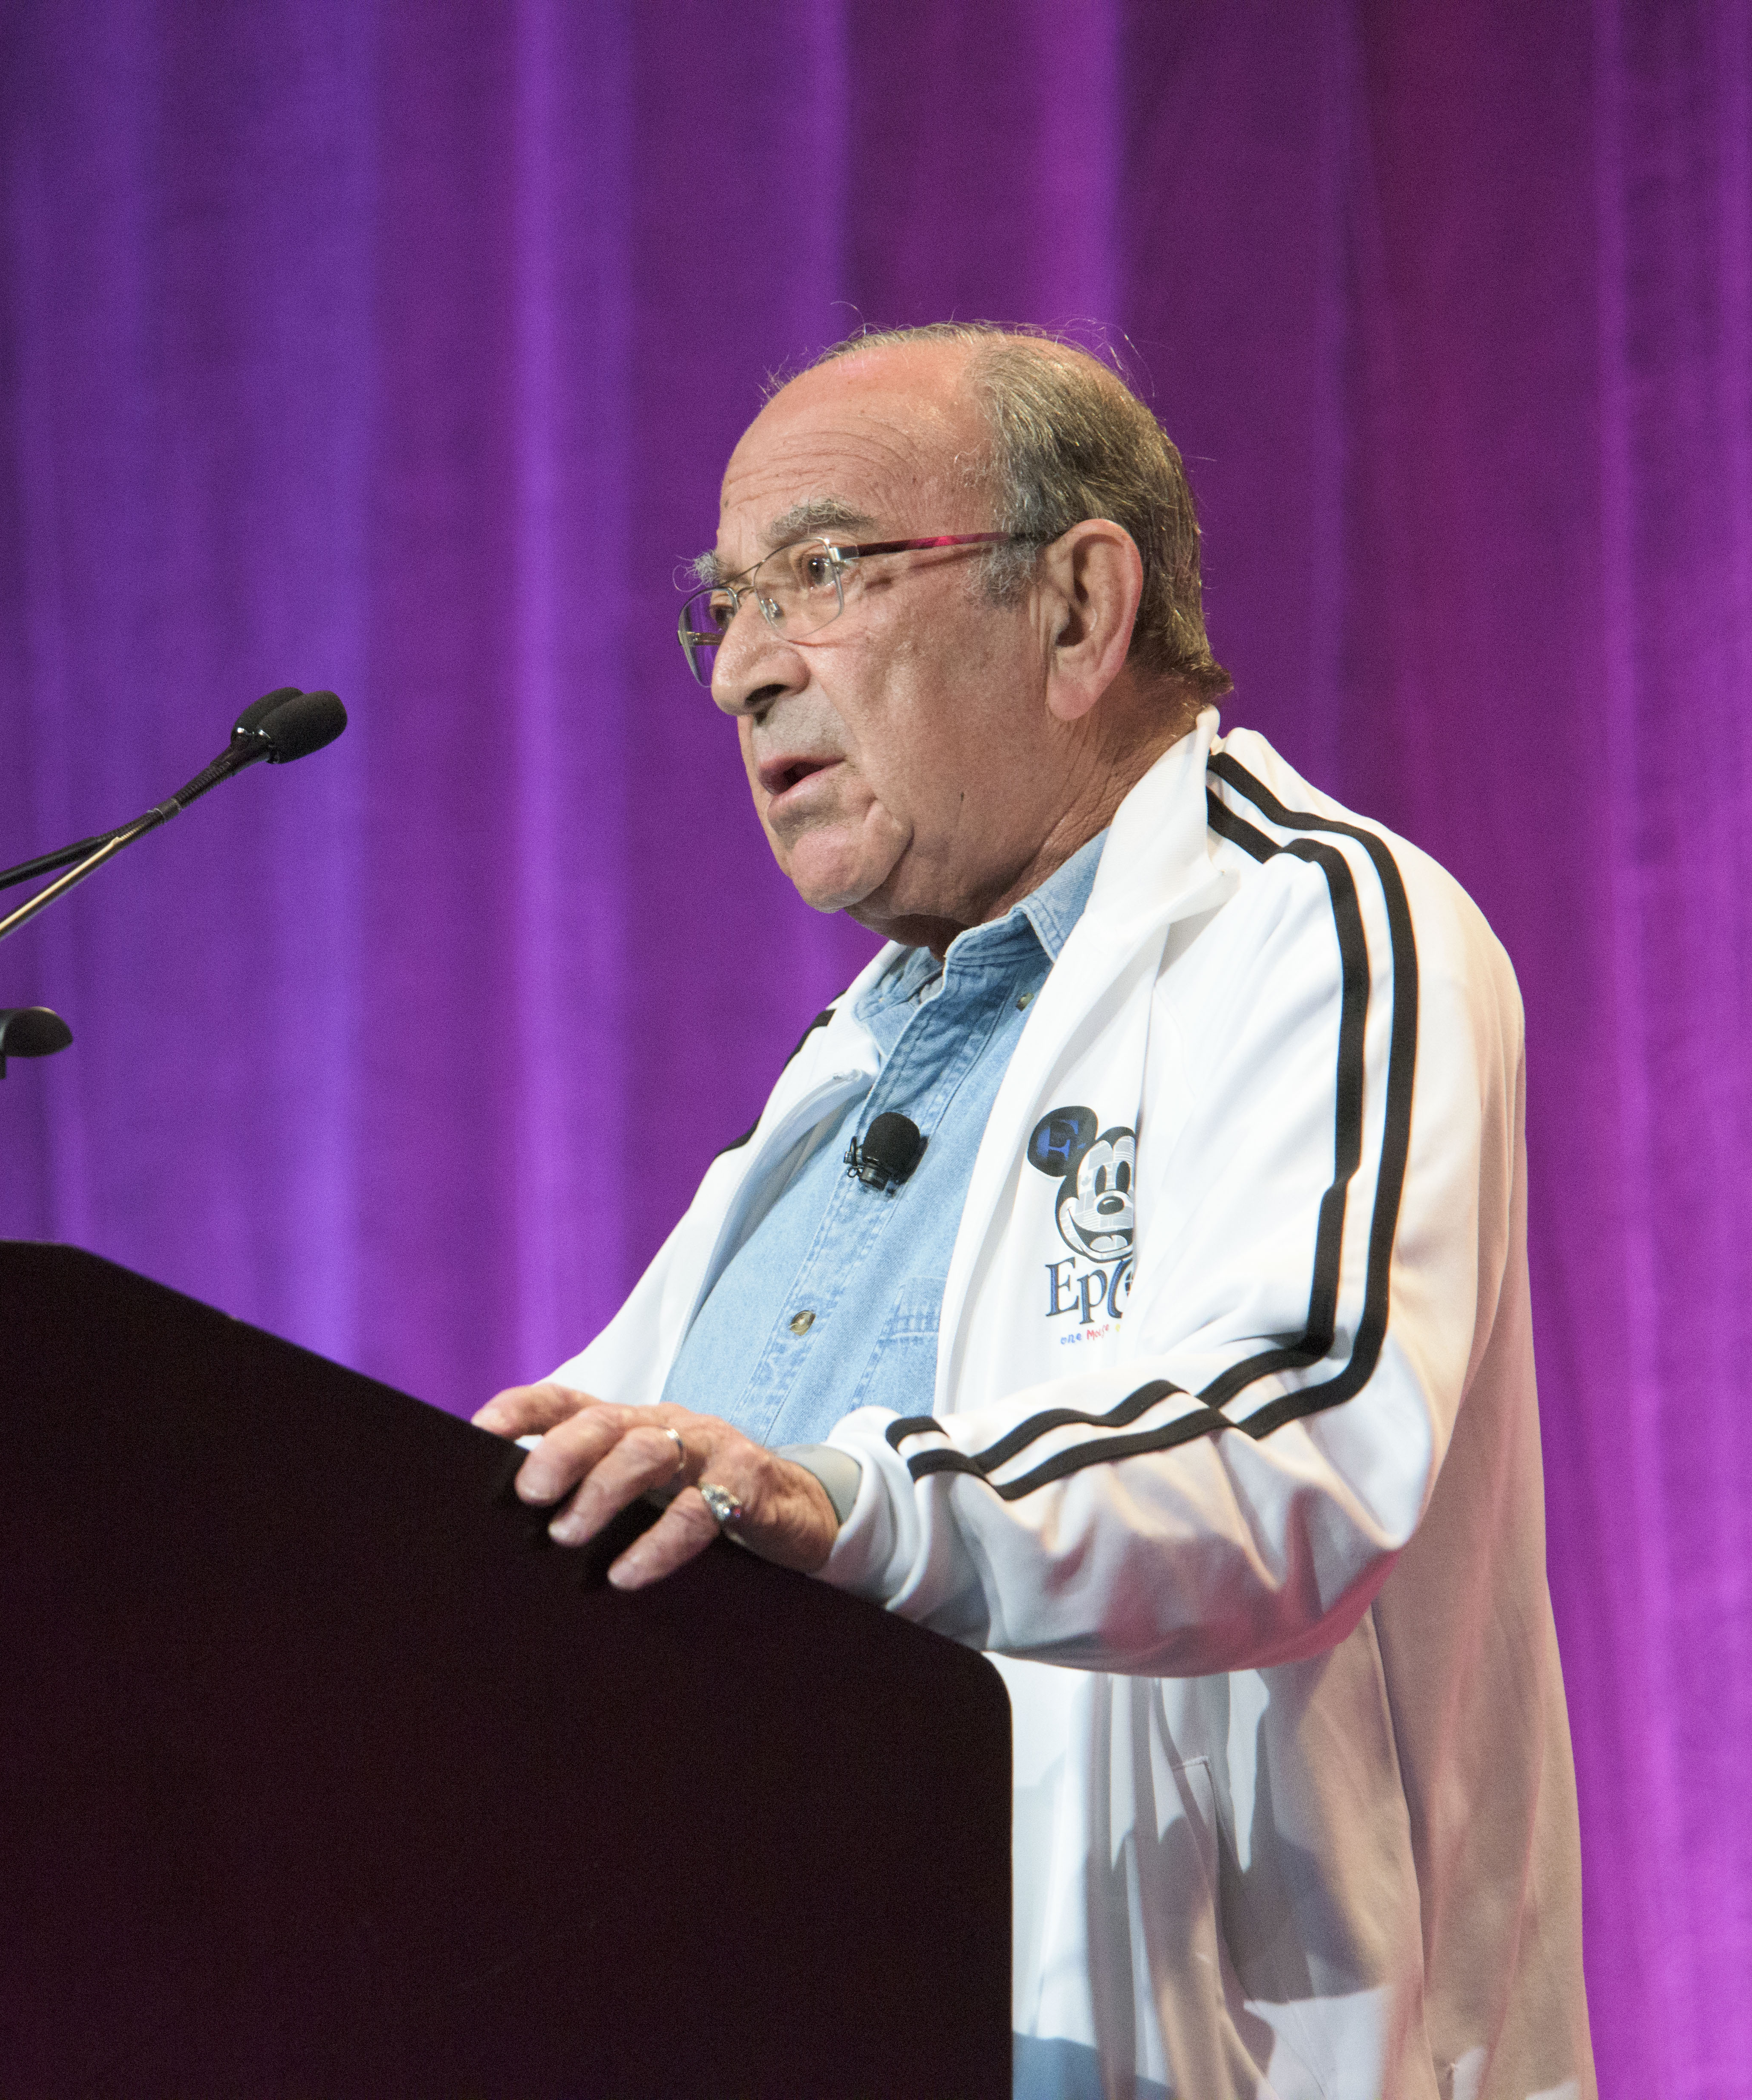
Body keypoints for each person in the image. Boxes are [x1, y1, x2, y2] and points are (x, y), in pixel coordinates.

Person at [475, 324, 1595, 2100]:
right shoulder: (850, 1068)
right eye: (724, 606)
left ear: (1077, 608)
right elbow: (612, 1488)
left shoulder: (1307, 925)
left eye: (817, 573)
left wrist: (841, 1498)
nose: (739, 673)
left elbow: (1294, 1448)